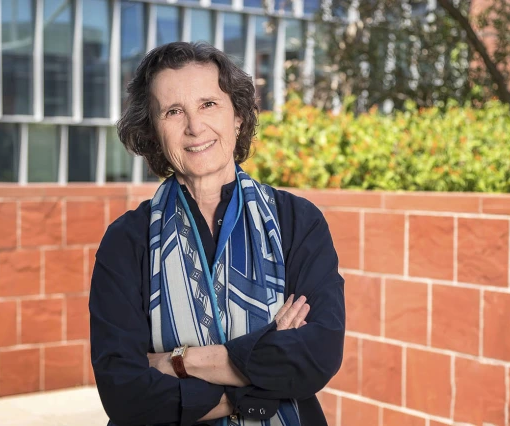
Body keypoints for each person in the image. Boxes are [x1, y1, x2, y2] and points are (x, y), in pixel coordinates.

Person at [89, 41, 345, 426]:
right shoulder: (127, 242)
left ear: (238, 117)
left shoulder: (297, 221)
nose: (195, 127)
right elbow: (124, 393)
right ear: (153, 132)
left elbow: (316, 355)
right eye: (174, 111)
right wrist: (256, 387)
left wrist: (181, 361)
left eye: (209, 104)